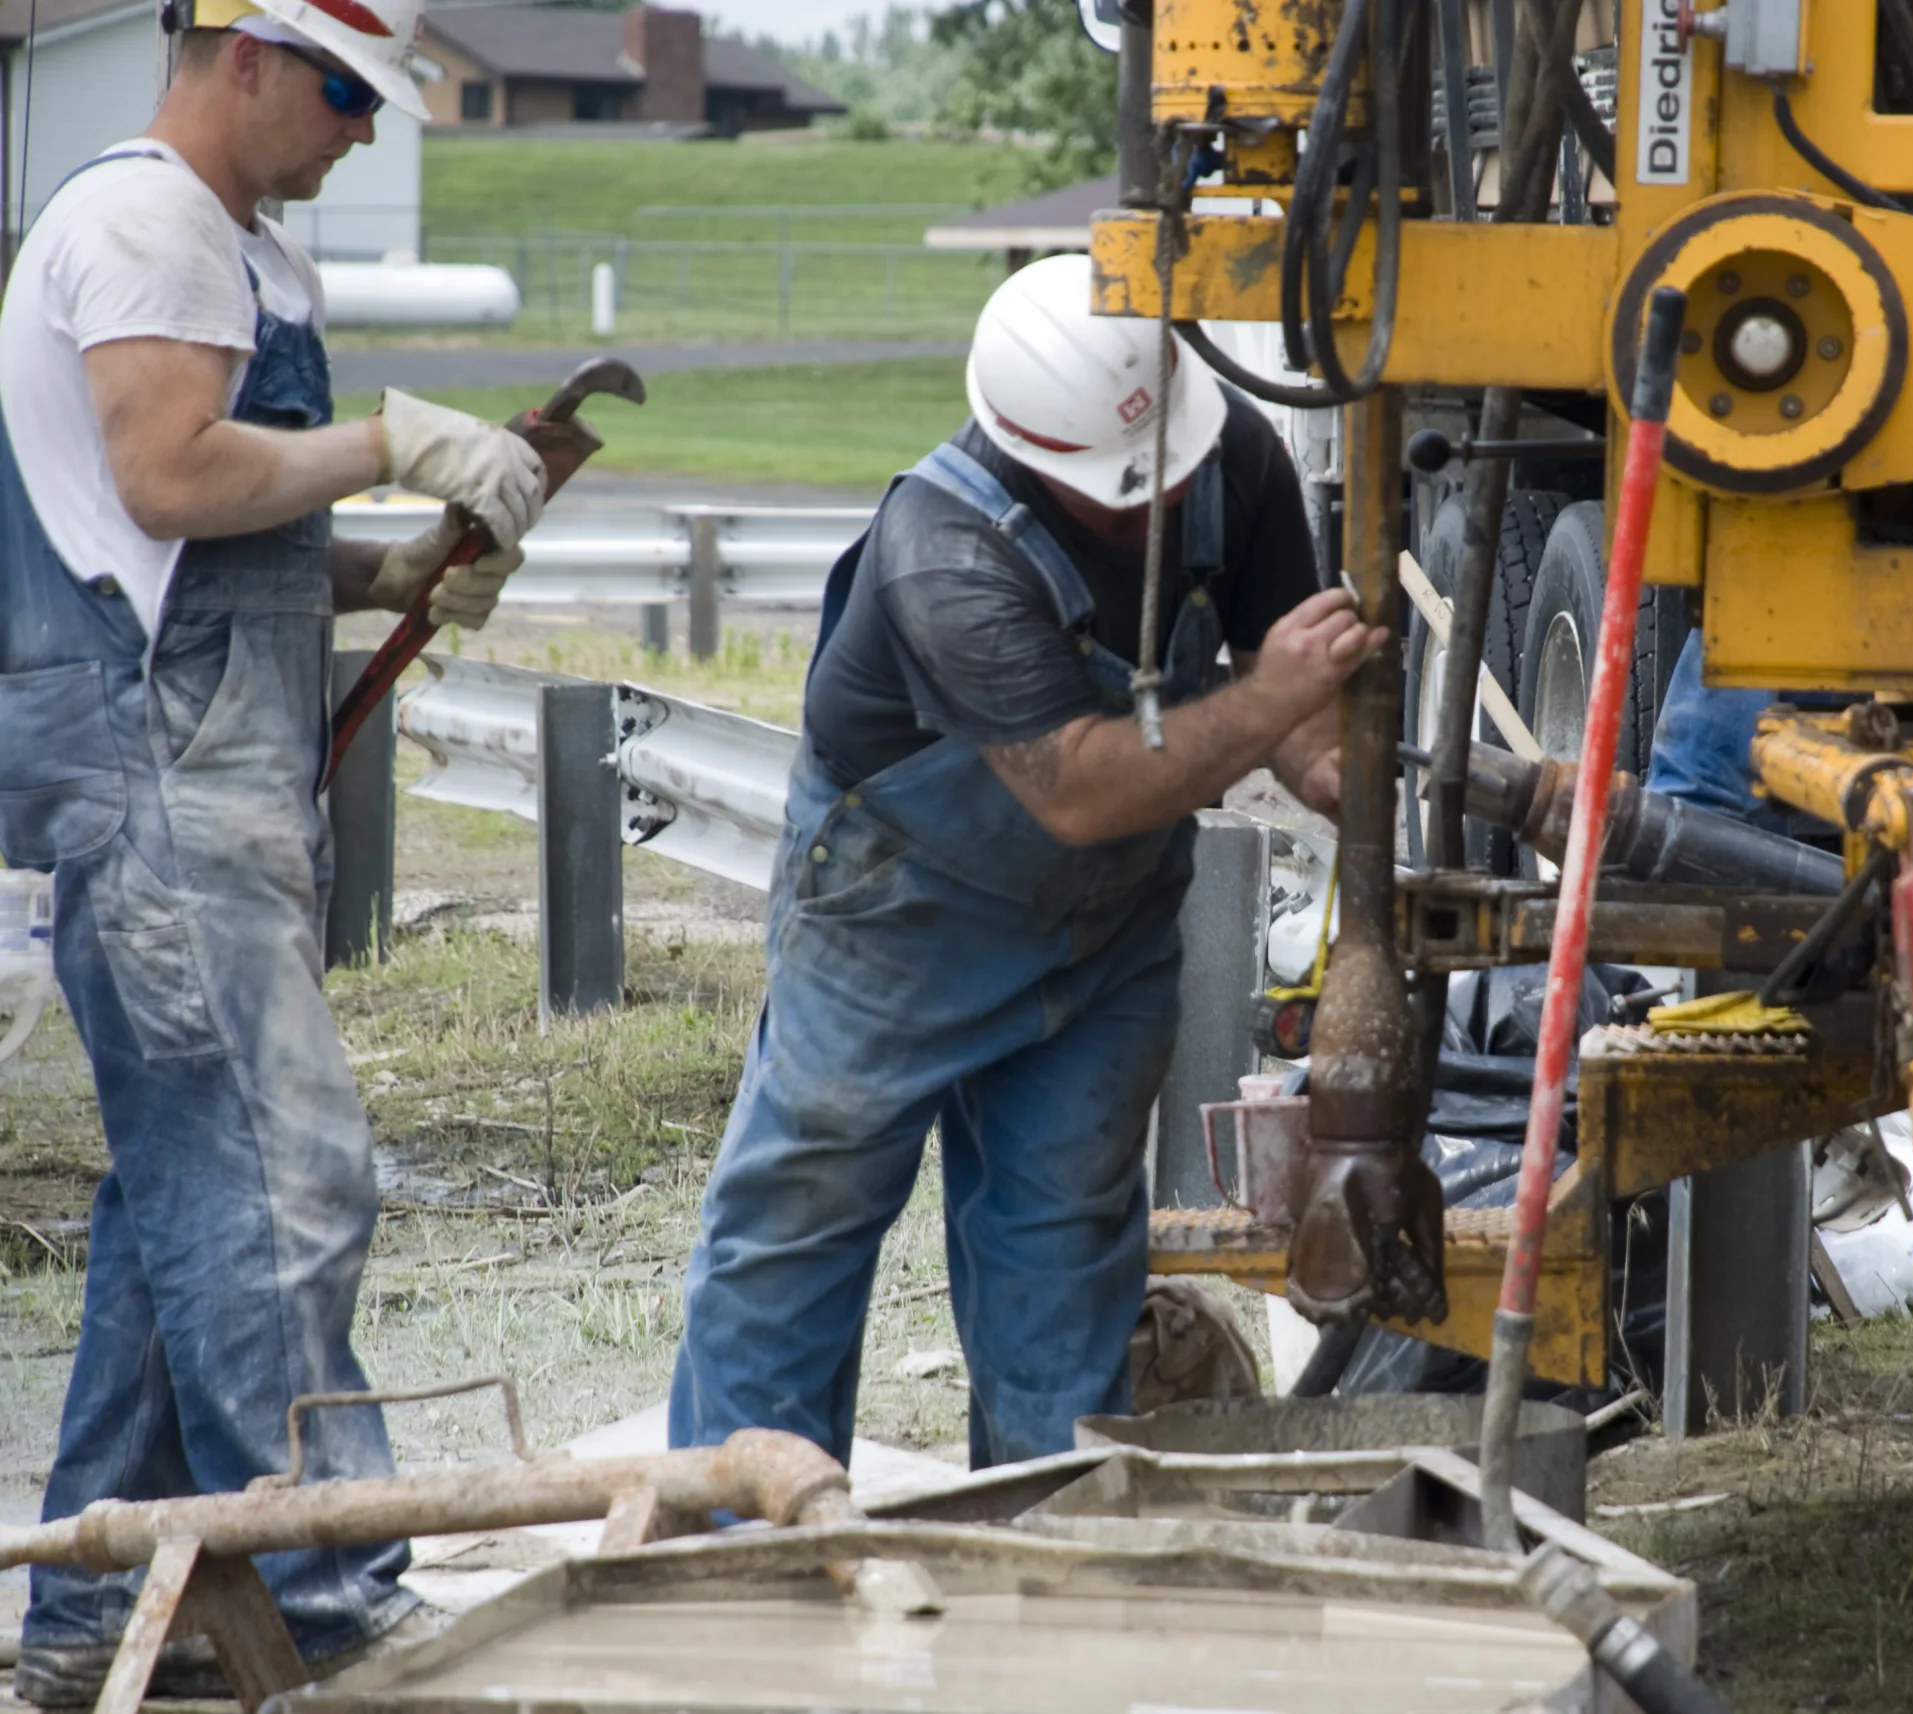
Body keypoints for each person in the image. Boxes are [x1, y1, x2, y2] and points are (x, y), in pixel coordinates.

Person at [0, 0, 548, 1699]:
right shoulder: (147, 219)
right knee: (277, 1175)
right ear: (241, 53)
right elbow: (167, 475)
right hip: (153, 764)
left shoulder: (227, 243)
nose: (362, 132)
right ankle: (327, 1585)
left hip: (196, 755)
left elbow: (203, 530)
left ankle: (98, 1606)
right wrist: (388, 445)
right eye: (340, 91)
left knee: (185, 1193)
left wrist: (372, 575)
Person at [667, 255, 1386, 1468]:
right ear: (1036, 456)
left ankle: (1046, 1546)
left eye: (1173, 462)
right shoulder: (944, 551)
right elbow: (1083, 787)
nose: (1162, 494)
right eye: (1124, 487)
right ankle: (740, 1536)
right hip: (895, 925)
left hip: (1099, 946)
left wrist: (1355, 784)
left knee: (1061, 1252)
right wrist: (1268, 695)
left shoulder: (1231, 455)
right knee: (800, 1219)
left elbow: (1300, 713)